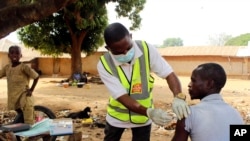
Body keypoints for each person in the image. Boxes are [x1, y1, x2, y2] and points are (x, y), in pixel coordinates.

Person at [97, 22, 190, 141]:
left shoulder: (146, 50)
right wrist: (150, 112)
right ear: (108, 48)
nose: (125, 53)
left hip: (142, 119)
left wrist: (178, 96)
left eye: (128, 47)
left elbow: (168, 73)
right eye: (118, 52)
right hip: (117, 118)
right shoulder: (104, 64)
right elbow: (122, 96)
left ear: (131, 37)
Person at [171, 63, 244, 141]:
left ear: (209, 84)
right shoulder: (236, 114)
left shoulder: (188, 114)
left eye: (193, 80)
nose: (189, 85)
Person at [0, 45, 39, 125]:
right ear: (9, 55)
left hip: (23, 93)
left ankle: (30, 129)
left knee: (27, 108)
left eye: (17, 53)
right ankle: (23, 120)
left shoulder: (24, 67)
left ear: (20, 55)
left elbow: (36, 76)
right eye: (12, 53)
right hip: (13, 94)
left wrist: (31, 90)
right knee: (17, 110)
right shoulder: (7, 68)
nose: (14, 55)